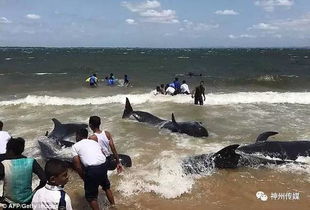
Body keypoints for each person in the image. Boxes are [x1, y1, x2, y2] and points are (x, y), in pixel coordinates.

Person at [72, 128, 113, 209]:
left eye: (76, 136)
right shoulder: (94, 142)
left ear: (78, 136)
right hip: (104, 164)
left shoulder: (75, 146)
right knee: (106, 187)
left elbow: (77, 166)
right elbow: (102, 153)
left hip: (93, 169)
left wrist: (84, 177)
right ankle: (114, 205)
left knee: (91, 197)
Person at [0, 137, 46, 207]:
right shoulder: (31, 162)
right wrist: (34, 192)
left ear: (11, 151)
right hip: (28, 203)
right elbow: (44, 179)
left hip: (8, 204)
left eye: (7, 150)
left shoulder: (4, 164)